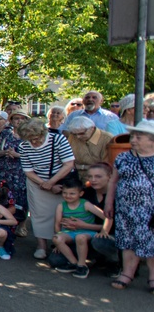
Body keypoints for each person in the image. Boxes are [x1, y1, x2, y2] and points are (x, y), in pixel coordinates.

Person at [105, 120, 154, 292]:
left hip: (150, 210)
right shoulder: (123, 157)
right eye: (133, 136)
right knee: (127, 241)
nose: (134, 139)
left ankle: (153, 277)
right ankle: (127, 273)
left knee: (151, 243)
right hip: (125, 209)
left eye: (139, 137)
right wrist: (109, 202)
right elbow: (113, 182)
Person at [18, 119, 76, 259]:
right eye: (30, 139)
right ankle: (41, 245)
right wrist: (44, 184)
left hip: (61, 179)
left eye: (36, 139)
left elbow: (68, 164)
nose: (34, 142)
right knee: (39, 214)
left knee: (63, 213)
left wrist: (52, 182)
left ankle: (61, 244)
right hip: (36, 181)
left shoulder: (58, 139)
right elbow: (28, 170)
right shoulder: (23, 145)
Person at [51, 177, 106, 279]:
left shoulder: (85, 204)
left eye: (72, 193)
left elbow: (104, 216)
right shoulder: (61, 206)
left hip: (87, 231)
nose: (68, 196)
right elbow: (57, 224)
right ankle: (74, 263)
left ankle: (82, 265)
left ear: (80, 194)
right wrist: (57, 243)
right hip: (69, 232)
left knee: (80, 237)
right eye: (65, 193)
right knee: (56, 238)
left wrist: (103, 230)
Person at [0, 109, 30, 230]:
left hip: (21, 172)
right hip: (4, 170)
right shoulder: (5, 134)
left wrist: (18, 155)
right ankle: (4, 223)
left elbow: (35, 154)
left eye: (22, 118)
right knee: (4, 196)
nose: (19, 121)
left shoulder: (29, 135)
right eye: (16, 118)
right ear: (11, 121)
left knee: (22, 198)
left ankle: (22, 224)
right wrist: (5, 152)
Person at [64, 116, 110, 184]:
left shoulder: (107, 139)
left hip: (97, 179)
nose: (78, 137)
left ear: (92, 128)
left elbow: (106, 165)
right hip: (75, 176)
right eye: (74, 134)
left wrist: (81, 167)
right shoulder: (72, 136)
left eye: (81, 133)